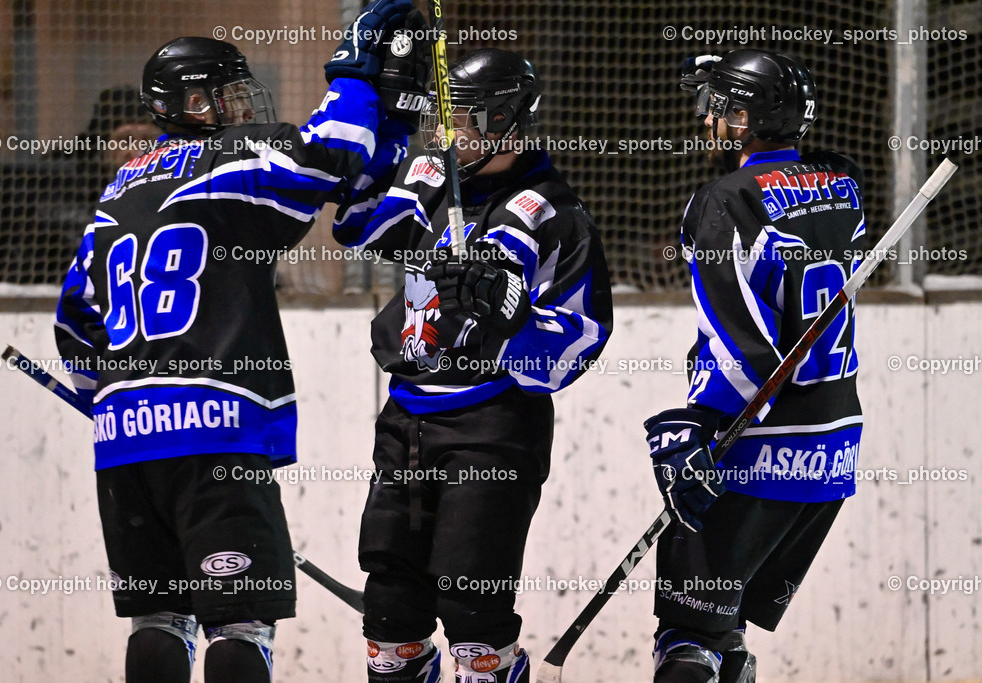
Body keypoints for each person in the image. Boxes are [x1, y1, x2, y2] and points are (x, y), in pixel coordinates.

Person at [53, 1, 422, 681]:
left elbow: (75, 323)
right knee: (238, 624)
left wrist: (115, 402)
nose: (240, 106)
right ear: (192, 102)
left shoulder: (116, 193)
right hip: (216, 438)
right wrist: (359, 69)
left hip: (125, 447)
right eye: (227, 94)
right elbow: (333, 150)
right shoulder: (228, 158)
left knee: (159, 621)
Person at [332, 48, 614, 682]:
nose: (453, 136)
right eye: (447, 121)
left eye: (470, 122)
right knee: (390, 613)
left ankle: (497, 667)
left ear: (511, 120)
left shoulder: (553, 212)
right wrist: (382, 111)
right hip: (407, 417)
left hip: (494, 426)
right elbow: (355, 227)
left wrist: (510, 321)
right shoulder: (432, 175)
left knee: (472, 609)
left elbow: (583, 339)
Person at [643, 50, 866, 682]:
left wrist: (701, 431)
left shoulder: (723, 200)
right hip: (833, 449)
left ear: (744, 118)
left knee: (688, 639)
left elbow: (740, 342)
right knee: (725, 627)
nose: (707, 116)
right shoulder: (843, 183)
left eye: (720, 106)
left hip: (759, 451)